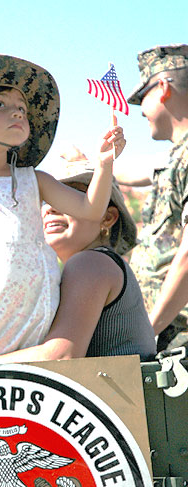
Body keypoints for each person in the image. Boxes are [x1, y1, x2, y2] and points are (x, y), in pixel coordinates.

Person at [0, 53, 126, 365]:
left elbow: (90, 210)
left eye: (22, 109)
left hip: (32, 323)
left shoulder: (35, 181)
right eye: (0, 105)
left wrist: (105, 163)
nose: (17, 113)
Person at [0, 160, 156, 365]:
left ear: (107, 218)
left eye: (72, 197)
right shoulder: (91, 263)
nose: (51, 208)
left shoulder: (90, 263)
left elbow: (61, 355)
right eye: (46, 199)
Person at [127, 44, 188, 352]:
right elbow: (139, 172)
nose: (140, 109)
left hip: (178, 339)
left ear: (163, 87)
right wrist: (94, 166)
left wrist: (147, 328)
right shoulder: (177, 156)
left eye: (143, 96)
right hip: (169, 338)